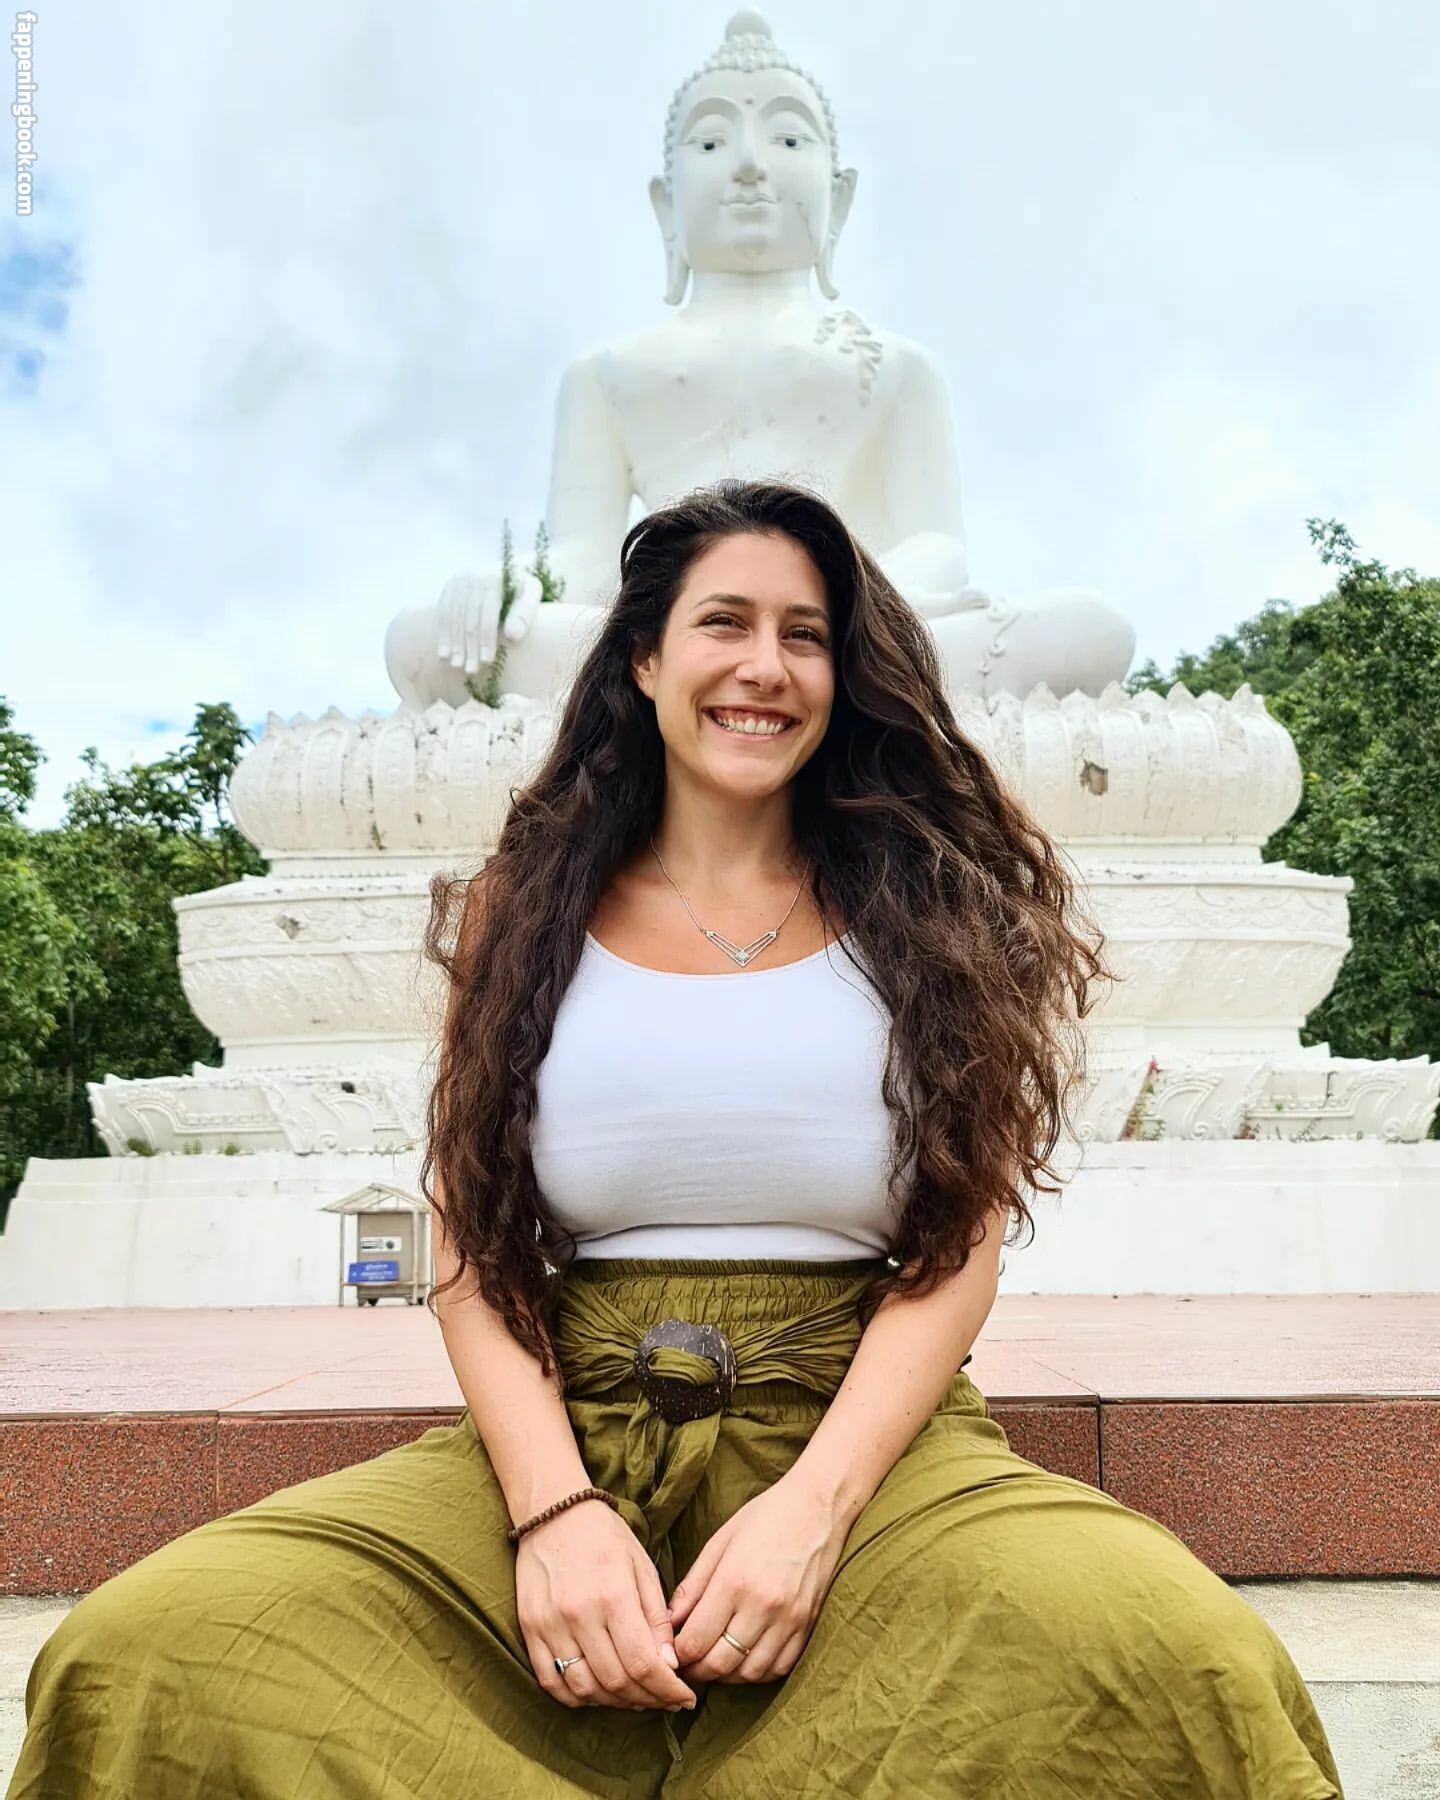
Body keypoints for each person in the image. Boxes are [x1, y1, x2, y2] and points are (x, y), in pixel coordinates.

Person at [10, 479, 1343, 1798]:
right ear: (643, 659)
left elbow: (959, 1250)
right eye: (725, 622)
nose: (765, 666)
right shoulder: (521, 909)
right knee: (144, 1653)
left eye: (805, 634)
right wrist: (554, 1517)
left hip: (862, 1433)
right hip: (572, 1414)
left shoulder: (932, 910)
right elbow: (471, 1245)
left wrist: (813, 1514)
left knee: (1187, 1661)